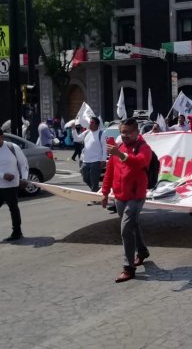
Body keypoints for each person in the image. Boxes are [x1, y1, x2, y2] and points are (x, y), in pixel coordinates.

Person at [101, 118, 153, 283]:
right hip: (120, 195)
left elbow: (139, 163)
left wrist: (120, 155)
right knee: (133, 225)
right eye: (122, 132)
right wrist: (104, 192)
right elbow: (110, 171)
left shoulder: (143, 148)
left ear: (137, 133)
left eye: (129, 132)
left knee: (125, 230)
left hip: (136, 196)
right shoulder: (120, 148)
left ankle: (128, 268)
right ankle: (142, 251)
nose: (125, 135)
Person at [80, 117, 106, 203]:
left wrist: (103, 160)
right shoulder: (87, 132)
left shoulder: (101, 134)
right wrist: (73, 129)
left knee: (94, 180)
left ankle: (94, 197)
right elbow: (77, 138)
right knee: (85, 179)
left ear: (97, 125)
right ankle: (97, 191)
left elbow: (104, 147)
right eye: (90, 122)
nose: (90, 124)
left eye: (92, 123)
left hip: (96, 160)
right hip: (86, 160)